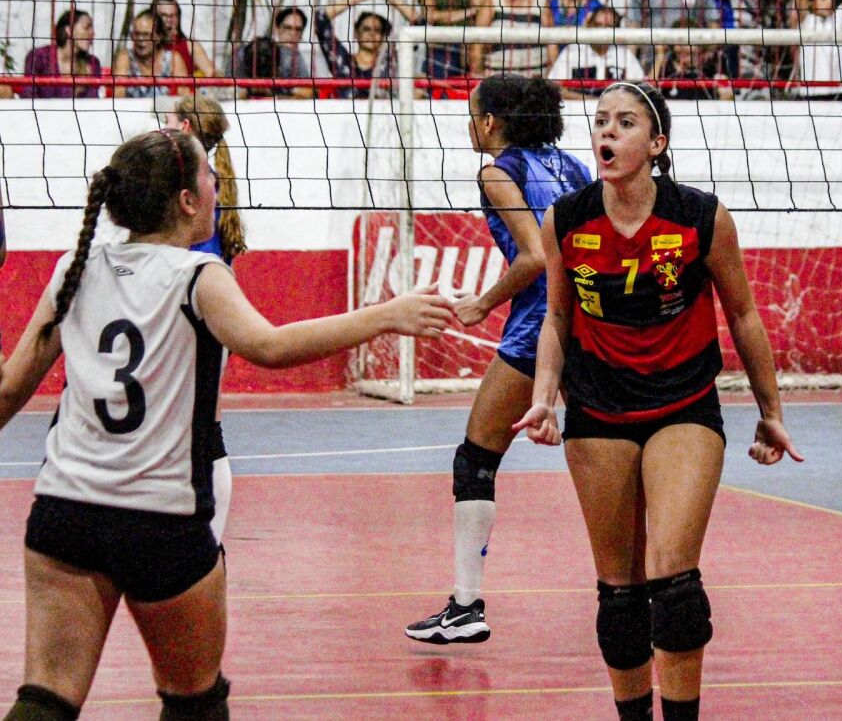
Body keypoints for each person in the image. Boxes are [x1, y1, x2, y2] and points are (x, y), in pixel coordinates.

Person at [0, 128, 452, 720]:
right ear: (188, 200)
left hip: (65, 510)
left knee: (47, 698)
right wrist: (387, 315)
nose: (218, 186)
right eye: (209, 176)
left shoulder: (74, 268)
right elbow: (270, 346)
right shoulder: (199, 276)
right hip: (160, 519)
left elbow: (8, 390)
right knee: (195, 703)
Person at [515, 81, 802, 721]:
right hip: (597, 408)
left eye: (623, 122)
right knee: (619, 596)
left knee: (674, 586)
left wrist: (771, 411)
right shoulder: (566, 218)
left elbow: (745, 315)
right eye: (598, 122)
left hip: (683, 405)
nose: (605, 133)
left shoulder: (701, 217)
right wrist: (544, 398)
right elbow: (556, 318)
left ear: (657, 143)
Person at [405, 74, 591, 646]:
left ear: (488, 122)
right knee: (608, 457)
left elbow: (535, 256)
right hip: (594, 321)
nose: (469, 123)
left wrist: (481, 304)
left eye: (471, 113)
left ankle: (465, 608)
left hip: (540, 326)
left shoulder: (496, 171)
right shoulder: (573, 167)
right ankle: (649, 592)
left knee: (475, 459)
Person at [167, 94, 247, 545]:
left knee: (205, 429)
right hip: (204, 310)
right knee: (196, 426)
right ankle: (197, 533)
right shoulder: (211, 180)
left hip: (199, 310)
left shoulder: (195, 189)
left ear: (183, 128)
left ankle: (210, 538)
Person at [315, 0, 414, 98]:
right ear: (356, 33)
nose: (372, 34)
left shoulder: (390, 60)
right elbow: (320, 18)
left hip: (383, 116)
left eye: (377, 30)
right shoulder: (342, 61)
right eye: (366, 29)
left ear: (383, 37)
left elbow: (420, 24)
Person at [474, 0, 554, 78]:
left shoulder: (541, 3)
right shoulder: (492, 1)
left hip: (533, 83)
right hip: (497, 81)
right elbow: (476, 45)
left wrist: (550, 79)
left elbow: (552, 47)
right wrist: (478, 78)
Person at [548, 6, 644, 100]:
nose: (602, 31)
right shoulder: (572, 52)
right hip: (575, 113)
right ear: (589, 26)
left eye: (608, 27)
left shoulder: (625, 56)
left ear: (616, 30)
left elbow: (639, 91)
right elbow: (556, 88)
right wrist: (592, 101)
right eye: (598, 25)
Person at [787, 0, 842, 100]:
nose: (829, 2)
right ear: (811, 1)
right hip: (813, 90)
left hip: (840, 89)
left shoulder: (838, 17)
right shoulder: (806, 21)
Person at [231, 7, 313, 98]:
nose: (293, 33)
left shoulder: (295, 58)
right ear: (277, 29)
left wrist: (278, 97)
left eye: (298, 29)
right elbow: (229, 87)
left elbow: (308, 91)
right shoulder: (242, 52)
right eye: (287, 28)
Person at [21, 8, 102, 99]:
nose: (92, 33)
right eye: (86, 27)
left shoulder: (93, 62)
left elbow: (92, 102)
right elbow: (28, 95)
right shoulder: (39, 57)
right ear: (69, 30)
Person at [112, 9, 190, 98]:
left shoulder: (173, 59)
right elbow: (118, 95)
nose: (140, 39)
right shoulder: (125, 57)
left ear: (159, 36)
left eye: (146, 35)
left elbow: (184, 95)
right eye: (137, 34)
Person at [655, 19, 732, 101]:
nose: (682, 48)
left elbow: (728, 100)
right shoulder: (665, 64)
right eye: (678, 42)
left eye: (687, 43)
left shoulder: (713, 63)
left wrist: (725, 93)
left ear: (699, 46)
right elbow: (647, 94)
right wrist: (660, 56)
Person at [151, 0, 216, 78]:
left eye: (173, 15)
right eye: (164, 15)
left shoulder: (190, 45)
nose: (169, 20)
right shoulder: (146, 47)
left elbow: (211, 73)